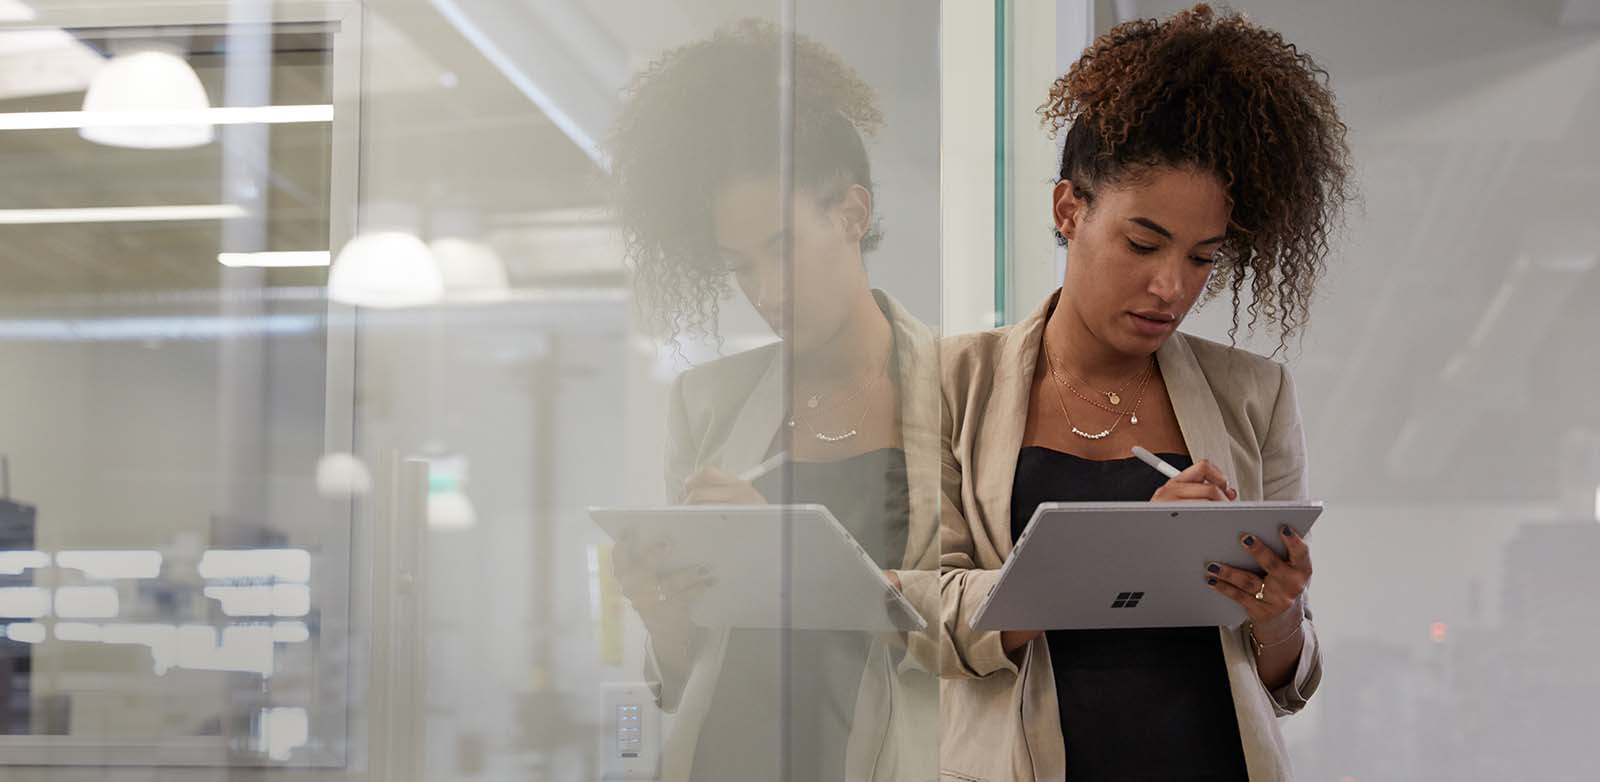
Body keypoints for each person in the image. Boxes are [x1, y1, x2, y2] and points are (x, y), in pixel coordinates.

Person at [937, 5, 1353, 781]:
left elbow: (1286, 680)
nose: (1171, 287)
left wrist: (1279, 612)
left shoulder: (1253, 394)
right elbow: (924, 618)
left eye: (1202, 257)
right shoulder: (951, 384)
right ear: (1069, 209)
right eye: (1142, 242)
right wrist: (1119, 552)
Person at [605, 20, 939, 782]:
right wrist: (662, 611)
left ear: (852, 214)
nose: (763, 291)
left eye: (781, 247)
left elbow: (987, 628)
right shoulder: (708, 402)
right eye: (740, 266)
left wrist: (793, 558)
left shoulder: (966, 389)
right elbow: (692, 670)